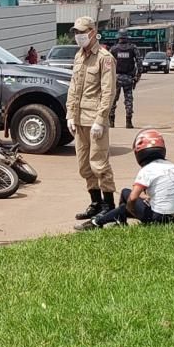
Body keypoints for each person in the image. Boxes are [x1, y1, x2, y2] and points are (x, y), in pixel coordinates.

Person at [76, 129, 174, 230]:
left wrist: (128, 209)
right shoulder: (172, 166)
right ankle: (119, 219)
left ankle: (97, 222)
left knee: (126, 204)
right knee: (125, 192)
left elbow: (132, 198)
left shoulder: (147, 170)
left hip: (160, 218)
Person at [66, 16, 118, 226]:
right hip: (79, 120)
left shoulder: (104, 58)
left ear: (93, 32)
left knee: (99, 164)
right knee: (84, 166)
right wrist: (70, 114)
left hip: (95, 120)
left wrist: (100, 119)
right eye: (76, 33)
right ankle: (95, 202)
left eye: (82, 32)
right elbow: (73, 87)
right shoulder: (79, 56)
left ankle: (109, 207)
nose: (78, 36)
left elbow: (108, 92)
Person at [109, 29, 142, 129]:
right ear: (127, 37)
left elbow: (108, 64)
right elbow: (139, 62)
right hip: (128, 78)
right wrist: (137, 76)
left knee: (113, 100)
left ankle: (111, 122)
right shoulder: (132, 48)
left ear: (118, 37)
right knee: (129, 100)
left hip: (116, 78)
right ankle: (128, 122)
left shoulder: (114, 49)